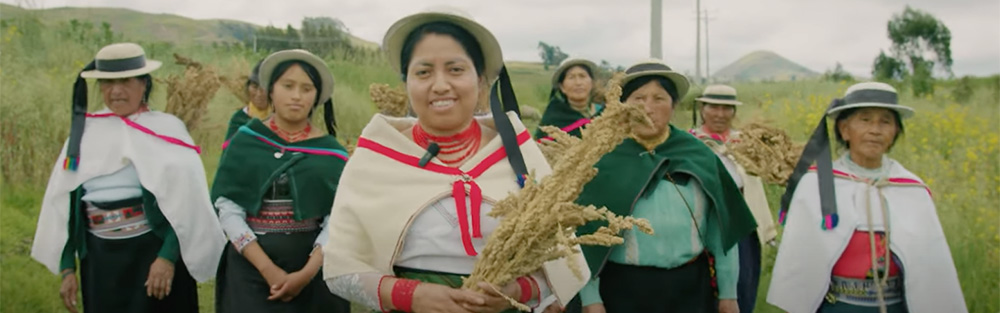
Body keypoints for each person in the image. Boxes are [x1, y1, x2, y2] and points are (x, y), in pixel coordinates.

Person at [322, 8, 587, 313]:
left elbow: (564, 259)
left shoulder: (519, 153)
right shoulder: (376, 158)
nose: (440, 85)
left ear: (481, 79)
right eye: (423, 72)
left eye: (456, 69)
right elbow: (340, 268)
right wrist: (413, 295)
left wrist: (516, 291)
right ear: (406, 83)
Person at [30, 42, 225, 313]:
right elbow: (65, 203)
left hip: (152, 254)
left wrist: (167, 258)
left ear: (144, 84)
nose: (116, 90)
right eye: (107, 82)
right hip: (100, 260)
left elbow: (187, 206)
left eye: (125, 81)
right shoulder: (85, 132)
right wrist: (67, 269)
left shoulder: (167, 130)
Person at [573, 60, 756, 313]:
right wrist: (591, 299)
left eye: (659, 98)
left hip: (690, 288)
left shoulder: (699, 155)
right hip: (622, 290)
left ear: (674, 105)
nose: (648, 108)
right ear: (622, 106)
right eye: (638, 98)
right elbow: (582, 236)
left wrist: (728, 294)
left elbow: (722, 231)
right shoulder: (603, 159)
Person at [767, 82, 967, 313]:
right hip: (837, 307)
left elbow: (930, 266)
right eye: (865, 119)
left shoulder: (912, 190)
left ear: (895, 133)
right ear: (844, 129)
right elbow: (801, 261)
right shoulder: (816, 185)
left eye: (885, 121)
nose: (875, 129)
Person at [211, 49, 351, 313]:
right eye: (288, 86)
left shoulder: (331, 153)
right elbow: (227, 208)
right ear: (271, 91)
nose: (297, 96)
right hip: (250, 272)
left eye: (307, 89)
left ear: (317, 97)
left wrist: (307, 273)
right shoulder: (246, 141)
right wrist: (268, 269)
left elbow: (339, 220)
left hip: (315, 275)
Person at [689, 84, 777, 313]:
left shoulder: (746, 143)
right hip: (703, 221)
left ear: (734, 112)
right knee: (705, 285)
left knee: (742, 279)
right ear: (702, 108)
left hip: (741, 221)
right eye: (714, 107)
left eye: (727, 108)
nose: (720, 114)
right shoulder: (690, 143)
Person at [535, 58, 602, 141]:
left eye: (582, 76)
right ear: (562, 87)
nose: (578, 83)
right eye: (571, 77)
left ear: (592, 83)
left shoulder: (605, 113)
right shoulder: (552, 119)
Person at [224, 59, 269, 141]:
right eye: (254, 87)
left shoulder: (282, 120)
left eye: (264, 89)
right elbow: (228, 151)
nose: (259, 94)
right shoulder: (239, 118)